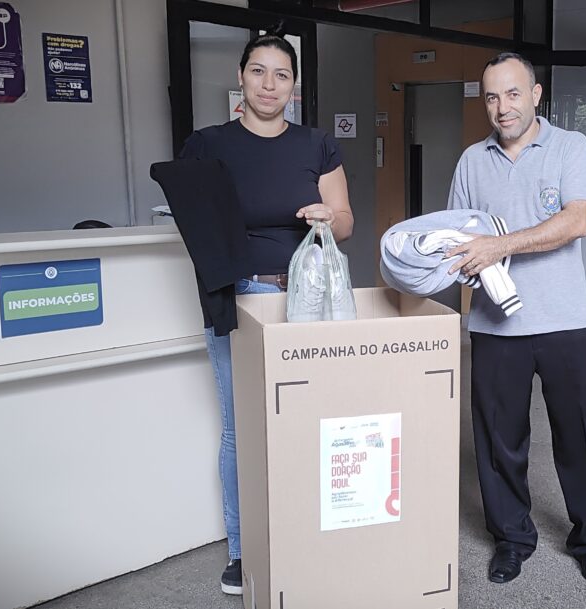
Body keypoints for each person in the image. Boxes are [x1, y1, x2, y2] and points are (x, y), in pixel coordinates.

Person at [178, 25, 354, 596]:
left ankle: (308, 534)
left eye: (282, 74)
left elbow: (347, 221)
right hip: (239, 298)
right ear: (240, 78)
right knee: (241, 429)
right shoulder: (207, 144)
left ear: (294, 86)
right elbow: (195, 221)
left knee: (309, 420)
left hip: (305, 298)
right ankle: (241, 550)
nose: (269, 84)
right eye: (259, 71)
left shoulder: (315, 144)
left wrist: (328, 218)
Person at [445, 52, 586, 587]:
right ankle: (512, 538)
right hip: (496, 328)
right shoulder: (472, 161)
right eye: (492, 96)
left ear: (536, 94)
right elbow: (458, 236)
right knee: (498, 442)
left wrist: (499, 246)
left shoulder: (570, 147)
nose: (502, 107)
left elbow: (575, 222)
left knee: (579, 439)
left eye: (513, 93)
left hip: (566, 322)